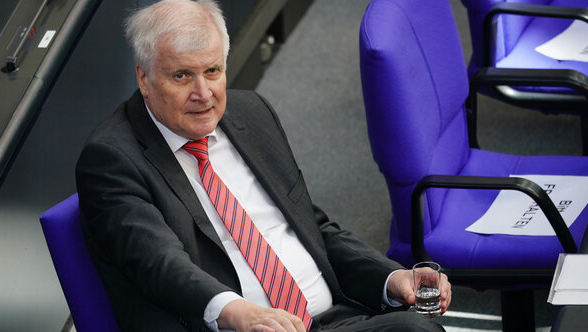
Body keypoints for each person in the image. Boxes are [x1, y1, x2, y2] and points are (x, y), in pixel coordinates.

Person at [76, 0, 452, 331]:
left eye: (212, 71)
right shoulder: (112, 159)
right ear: (144, 78)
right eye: (181, 76)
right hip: (233, 328)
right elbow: (160, 264)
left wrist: (390, 277)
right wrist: (241, 313)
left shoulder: (251, 114)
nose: (203, 94)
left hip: (330, 318)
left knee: (417, 329)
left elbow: (313, 228)